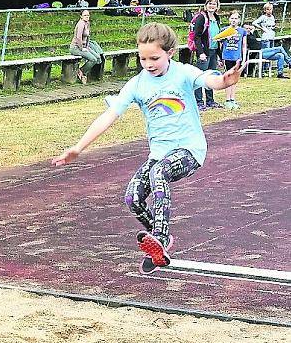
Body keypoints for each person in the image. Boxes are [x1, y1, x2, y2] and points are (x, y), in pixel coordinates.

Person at [52, 22, 244, 273]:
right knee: (132, 198)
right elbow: (109, 117)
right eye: (143, 58)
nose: (149, 64)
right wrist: (78, 147)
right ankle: (159, 243)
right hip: (160, 153)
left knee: (159, 173)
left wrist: (224, 81)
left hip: (189, 150)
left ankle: (161, 238)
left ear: (170, 53)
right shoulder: (137, 84)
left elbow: (209, 80)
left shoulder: (183, 72)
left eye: (155, 58)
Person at [191, 0, 222, 109]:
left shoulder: (216, 18)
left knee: (211, 77)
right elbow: (197, 37)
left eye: (214, 4)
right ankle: (198, 102)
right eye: (209, 3)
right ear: (206, 5)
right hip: (204, 52)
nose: (211, 6)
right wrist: (201, 53)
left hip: (213, 51)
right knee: (200, 77)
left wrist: (219, 55)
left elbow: (217, 37)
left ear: (217, 6)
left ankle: (210, 100)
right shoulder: (202, 18)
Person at [219, 11, 247, 109]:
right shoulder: (224, 30)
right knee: (228, 77)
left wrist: (243, 58)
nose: (233, 20)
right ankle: (227, 99)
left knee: (234, 79)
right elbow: (220, 44)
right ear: (229, 19)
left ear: (239, 20)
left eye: (235, 18)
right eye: (232, 18)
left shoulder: (242, 31)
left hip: (237, 57)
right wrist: (220, 58)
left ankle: (233, 99)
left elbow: (244, 45)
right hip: (227, 56)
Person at [68, 9, 105, 84]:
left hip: (85, 46)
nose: (87, 16)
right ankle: (82, 71)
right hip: (76, 47)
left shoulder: (87, 23)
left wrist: (87, 47)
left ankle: (85, 72)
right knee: (93, 59)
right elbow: (78, 38)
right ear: (81, 16)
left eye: (88, 15)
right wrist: (82, 48)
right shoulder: (81, 24)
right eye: (85, 15)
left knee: (98, 58)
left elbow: (88, 37)